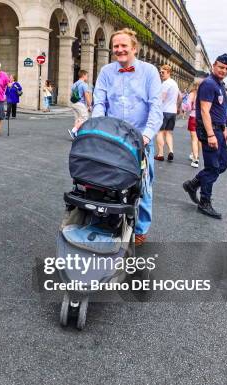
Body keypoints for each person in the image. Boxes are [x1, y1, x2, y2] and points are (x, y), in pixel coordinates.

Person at [92, 28, 163, 246]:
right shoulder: (106, 71)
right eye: (116, 46)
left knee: (143, 185)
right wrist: (95, 127)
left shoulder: (150, 72)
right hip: (112, 138)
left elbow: (155, 107)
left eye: (124, 46)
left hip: (140, 138)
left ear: (134, 48)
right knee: (105, 180)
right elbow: (99, 103)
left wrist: (147, 136)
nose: (119, 50)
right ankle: (107, 218)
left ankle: (140, 229)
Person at [182, 54, 227, 219]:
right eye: (221, 67)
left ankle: (193, 184)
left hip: (218, 129)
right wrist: (211, 135)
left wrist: (224, 127)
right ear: (213, 65)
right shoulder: (209, 84)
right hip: (210, 131)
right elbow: (204, 110)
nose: (224, 70)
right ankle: (205, 202)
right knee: (212, 168)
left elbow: (220, 109)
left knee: (222, 165)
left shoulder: (219, 84)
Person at [155, 65, 180, 161]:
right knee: (168, 133)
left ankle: (160, 154)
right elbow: (180, 97)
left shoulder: (165, 84)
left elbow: (162, 98)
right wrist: (177, 107)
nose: (161, 74)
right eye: (160, 72)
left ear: (168, 72)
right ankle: (171, 151)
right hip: (172, 111)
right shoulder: (174, 83)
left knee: (160, 132)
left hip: (164, 111)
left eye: (163, 72)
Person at [68, 69, 93, 139]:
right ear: (83, 75)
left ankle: (76, 134)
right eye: (87, 76)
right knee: (85, 118)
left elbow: (72, 94)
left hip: (73, 103)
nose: (87, 77)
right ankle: (73, 131)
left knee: (78, 119)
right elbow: (86, 95)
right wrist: (89, 105)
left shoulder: (74, 84)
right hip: (80, 103)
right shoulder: (84, 84)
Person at [187, 79, 202, 168]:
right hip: (202, 118)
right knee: (199, 139)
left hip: (193, 116)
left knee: (194, 139)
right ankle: (197, 155)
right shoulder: (205, 95)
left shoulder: (192, 94)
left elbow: (188, 107)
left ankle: (195, 159)